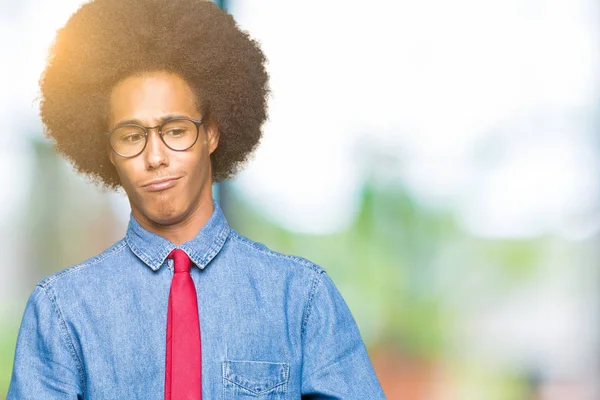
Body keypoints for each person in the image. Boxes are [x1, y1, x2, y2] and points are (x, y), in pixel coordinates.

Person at [7, 0, 386, 399]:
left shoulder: (300, 299)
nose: (155, 157)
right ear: (109, 152)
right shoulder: (62, 311)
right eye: (132, 136)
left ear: (211, 134)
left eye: (175, 130)